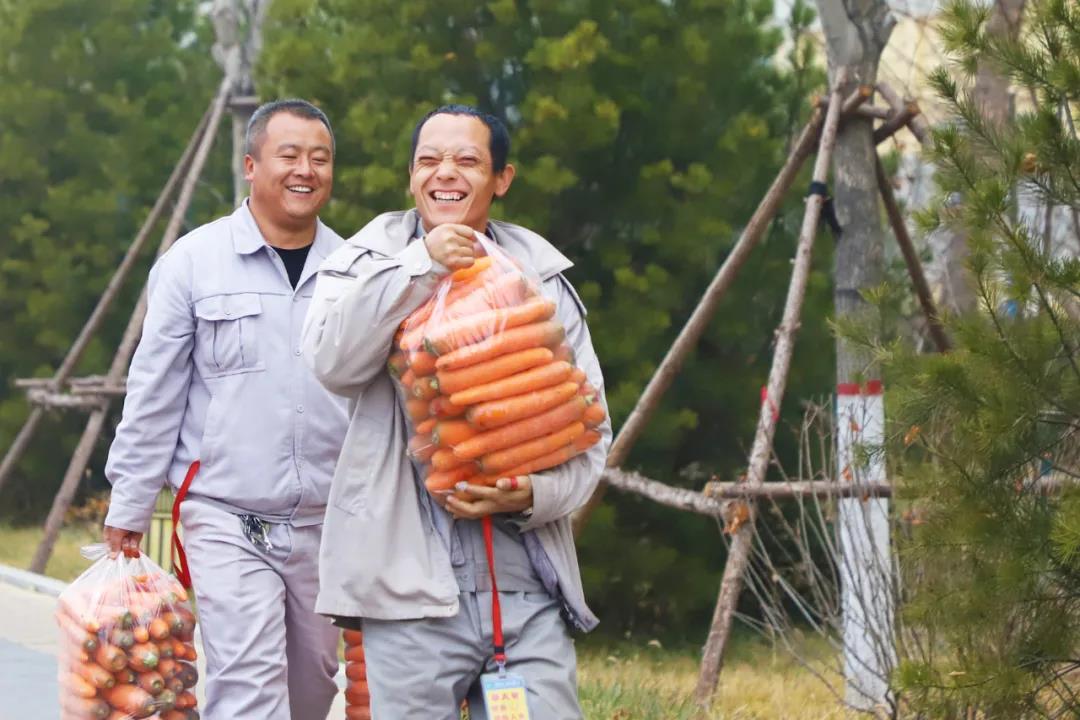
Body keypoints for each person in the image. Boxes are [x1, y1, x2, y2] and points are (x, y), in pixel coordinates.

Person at [303, 104, 612, 719]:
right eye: (429, 160)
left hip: (525, 587)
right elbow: (331, 361)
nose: (446, 172)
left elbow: (590, 432)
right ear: (412, 178)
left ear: (502, 178)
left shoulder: (541, 280)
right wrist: (422, 267)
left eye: (467, 160)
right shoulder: (365, 264)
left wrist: (529, 493)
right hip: (409, 591)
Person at [102, 99, 350, 720]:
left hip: (328, 523)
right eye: (289, 155)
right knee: (246, 679)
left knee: (314, 686)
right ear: (250, 164)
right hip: (224, 514)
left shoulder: (354, 269)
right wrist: (129, 505)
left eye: (320, 158)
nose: (306, 170)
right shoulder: (193, 262)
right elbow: (154, 391)